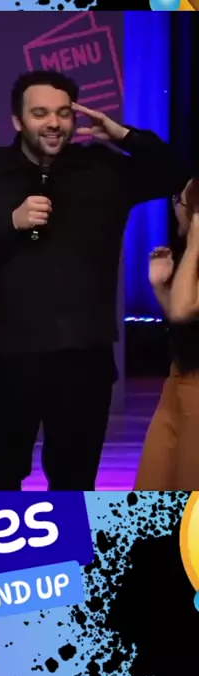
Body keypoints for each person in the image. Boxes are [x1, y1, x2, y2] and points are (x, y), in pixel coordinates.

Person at [0, 69, 186, 491]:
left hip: (84, 357)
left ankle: (66, 539)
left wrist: (125, 136)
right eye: (40, 113)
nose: (53, 123)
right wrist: (11, 223)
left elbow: (181, 174)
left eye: (63, 113)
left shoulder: (103, 169)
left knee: (74, 481)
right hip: (9, 357)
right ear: (18, 120)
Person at [135, 179, 199, 490]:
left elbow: (183, 309)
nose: (175, 208)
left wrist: (196, 242)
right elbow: (183, 318)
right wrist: (161, 287)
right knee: (155, 480)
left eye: (180, 201)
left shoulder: (194, 251)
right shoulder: (190, 257)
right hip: (179, 379)